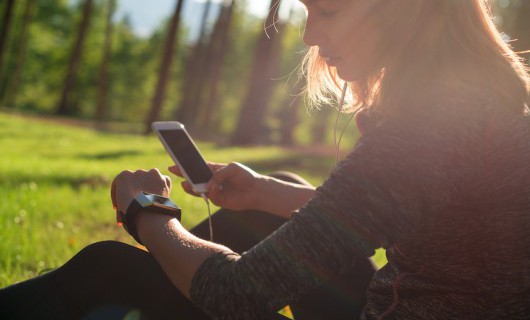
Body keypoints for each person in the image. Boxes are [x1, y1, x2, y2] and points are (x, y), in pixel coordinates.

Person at [1, 0, 529, 319]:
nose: (311, 36)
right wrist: (262, 193)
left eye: (330, 10)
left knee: (107, 267)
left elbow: (235, 299)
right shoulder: (477, 100)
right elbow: (414, 217)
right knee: (265, 200)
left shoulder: (428, 125)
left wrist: (147, 212)